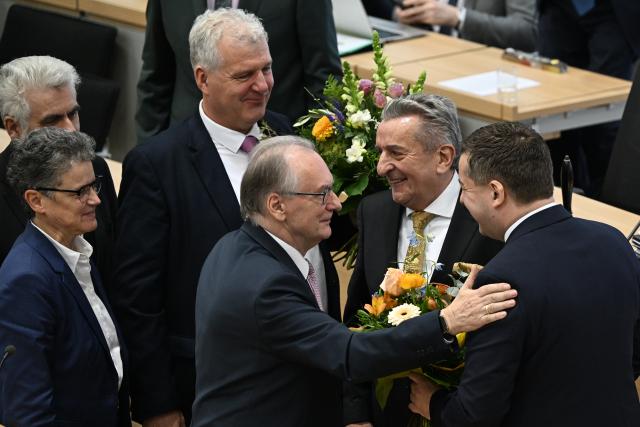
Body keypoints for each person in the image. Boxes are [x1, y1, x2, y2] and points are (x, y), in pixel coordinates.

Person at [192, 136, 517, 426]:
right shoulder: (266, 287)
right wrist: (447, 321)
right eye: (321, 194)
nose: (335, 203)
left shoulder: (231, 246)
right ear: (277, 205)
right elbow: (349, 352)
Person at [111, 9, 334, 426]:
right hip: (211, 391)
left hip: (305, 379)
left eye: (267, 69)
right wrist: (157, 403)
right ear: (202, 78)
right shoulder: (158, 166)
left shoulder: (290, 134)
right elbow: (138, 299)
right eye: (244, 75)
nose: (263, 85)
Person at [409, 121, 640, 426]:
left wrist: (432, 402)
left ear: (495, 193)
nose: (462, 201)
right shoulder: (614, 241)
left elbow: (475, 415)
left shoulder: (499, 280)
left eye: (464, 189)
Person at [343, 94, 504, 426]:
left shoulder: (489, 222)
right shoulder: (374, 212)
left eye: (396, 153)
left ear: (443, 157)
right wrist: (355, 413)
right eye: (380, 152)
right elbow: (355, 322)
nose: (381, 166)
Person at [0, 127, 130, 426]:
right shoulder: (26, 281)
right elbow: (28, 413)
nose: (96, 199)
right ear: (36, 201)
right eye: (80, 192)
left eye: (93, 185)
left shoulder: (77, 250)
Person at [135, 0, 341, 141]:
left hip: (274, 148)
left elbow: (324, 79)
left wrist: (319, 157)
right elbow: (156, 76)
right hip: (186, 148)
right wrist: (147, 153)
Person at [0, 56, 118, 285]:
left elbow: (113, 257)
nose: (71, 130)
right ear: (14, 127)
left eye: (73, 113)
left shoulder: (96, 168)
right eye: (52, 120)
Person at [537, 0, 640, 197]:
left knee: (604, 117)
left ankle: (609, 206)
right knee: (552, 109)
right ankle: (562, 200)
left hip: (615, 11)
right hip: (561, 8)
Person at [373, 0, 537, 51]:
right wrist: (402, 13)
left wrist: (459, 18)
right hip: (418, 48)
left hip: (478, 63)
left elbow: (528, 31)